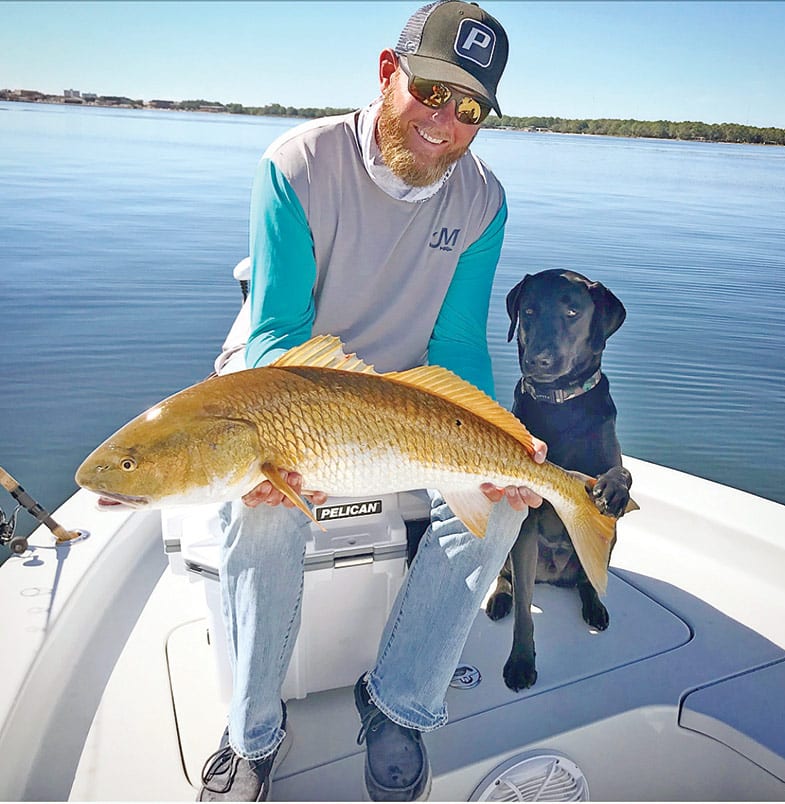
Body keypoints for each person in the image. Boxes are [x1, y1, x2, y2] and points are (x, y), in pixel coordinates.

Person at [199, 2, 547, 800]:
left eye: (470, 109)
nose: (444, 122)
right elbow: (279, 332)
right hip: (286, 380)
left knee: (498, 505)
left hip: (400, 387)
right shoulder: (295, 165)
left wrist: (495, 443)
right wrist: (296, 448)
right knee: (263, 509)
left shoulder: (484, 203)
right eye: (432, 91)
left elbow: (457, 347)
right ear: (388, 73)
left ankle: (398, 702)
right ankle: (253, 731)